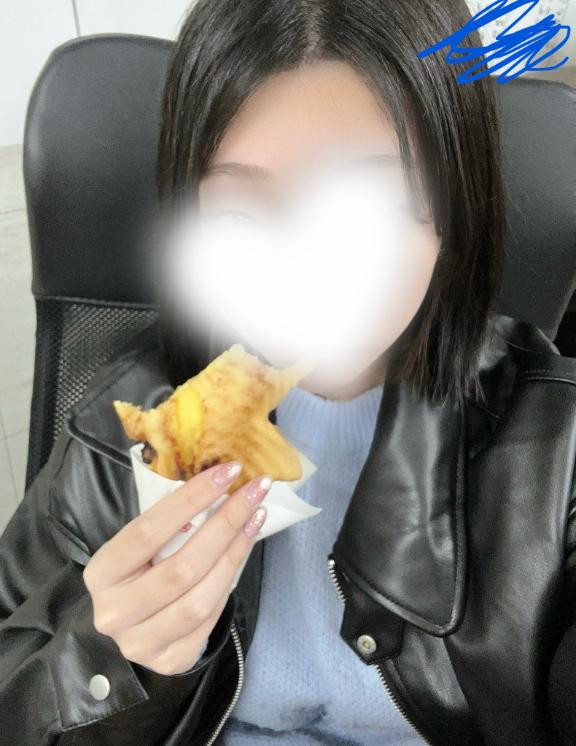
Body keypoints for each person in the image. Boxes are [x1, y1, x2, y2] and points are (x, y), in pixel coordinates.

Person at [1, 0, 576, 744]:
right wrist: (108, 658)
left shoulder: (556, 454)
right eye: (242, 209)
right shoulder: (122, 428)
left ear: (454, 215)